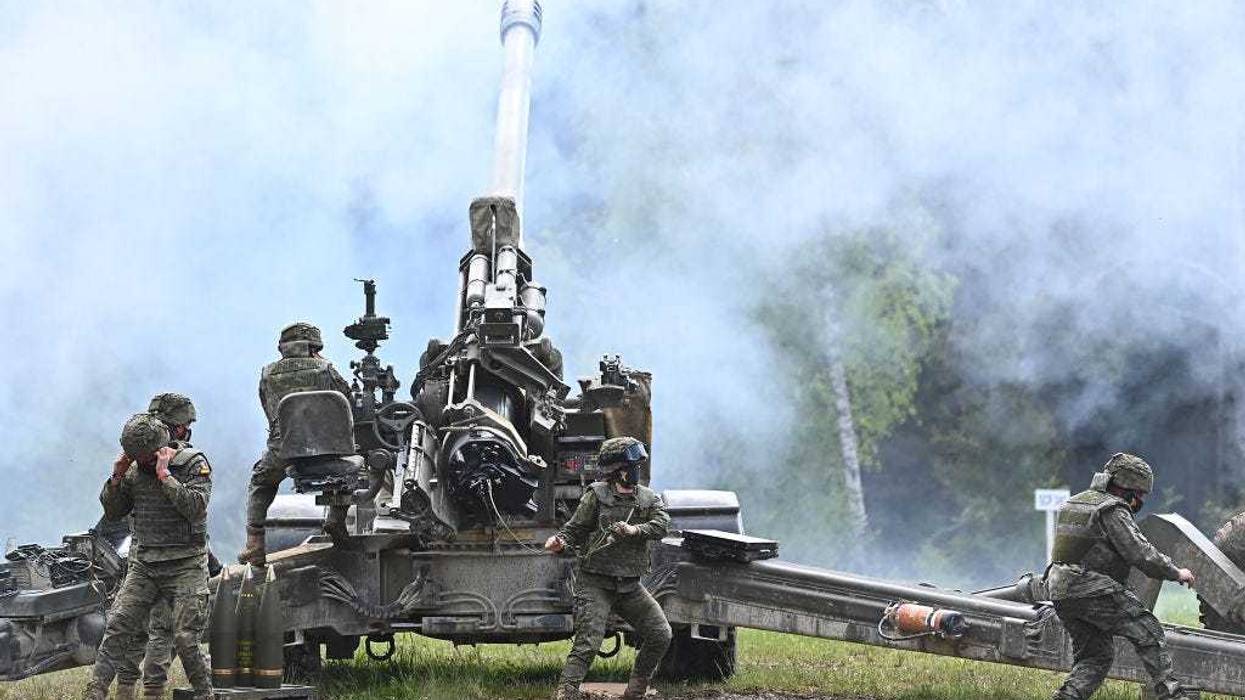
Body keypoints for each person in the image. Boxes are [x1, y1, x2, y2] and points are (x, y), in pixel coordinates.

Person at [1046, 452, 1197, 700]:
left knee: (1096, 656)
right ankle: (1171, 695)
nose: (1140, 501)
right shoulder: (1112, 509)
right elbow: (1140, 553)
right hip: (1092, 587)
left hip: (1060, 590)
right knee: (1148, 630)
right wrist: (1175, 571)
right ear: (1127, 488)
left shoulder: (1074, 503)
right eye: (1140, 494)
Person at [83, 413, 213, 700]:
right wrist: (116, 476)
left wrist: (165, 476)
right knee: (117, 627)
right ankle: (94, 693)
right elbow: (114, 512)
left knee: (186, 638)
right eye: (137, 458)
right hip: (145, 564)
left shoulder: (193, 464)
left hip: (185, 564)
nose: (143, 464)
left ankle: (206, 694)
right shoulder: (133, 470)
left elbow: (195, 507)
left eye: (147, 458)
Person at [544, 437, 673, 700]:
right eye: (631, 466)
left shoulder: (648, 498)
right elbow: (575, 528)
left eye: (638, 465)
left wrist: (636, 529)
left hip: (629, 586)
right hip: (595, 583)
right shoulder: (597, 495)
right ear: (618, 470)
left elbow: (662, 525)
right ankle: (566, 693)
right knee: (588, 642)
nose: (636, 471)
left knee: (661, 633)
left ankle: (635, 691)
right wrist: (560, 541)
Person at [238, 322, 351, 567]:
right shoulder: (326, 368)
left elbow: (270, 411)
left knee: (261, 481)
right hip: (326, 448)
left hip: (285, 448)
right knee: (352, 468)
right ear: (314, 346)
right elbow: (346, 404)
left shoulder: (268, 373)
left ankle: (255, 545)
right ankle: (336, 519)